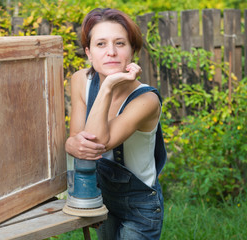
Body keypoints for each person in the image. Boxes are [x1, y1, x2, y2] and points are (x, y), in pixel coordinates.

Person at [65, 8, 167, 240]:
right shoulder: (81, 81)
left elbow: (98, 143)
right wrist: (71, 144)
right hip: (101, 195)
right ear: (89, 53)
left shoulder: (146, 100)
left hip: (141, 207)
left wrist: (108, 85)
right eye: (101, 44)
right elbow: (77, 140)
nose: (111, 52)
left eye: (120, 43)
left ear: (132, 51)